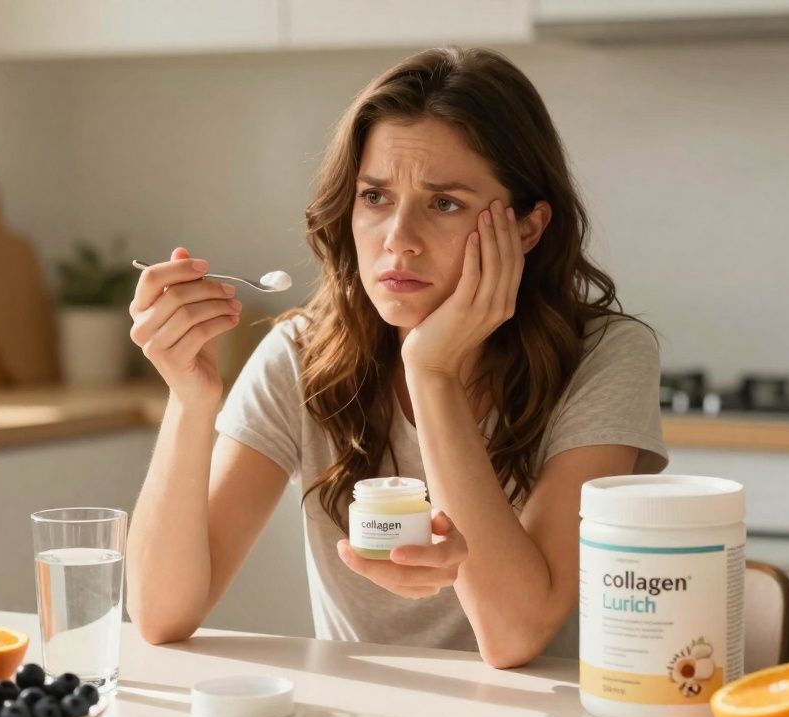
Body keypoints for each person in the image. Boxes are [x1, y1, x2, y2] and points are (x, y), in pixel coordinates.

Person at [125, 46, 667, 669]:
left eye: (445, 204)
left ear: (526, 228)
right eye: (375, 197)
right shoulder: (301, 355)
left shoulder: (604, 356)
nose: (398, 241)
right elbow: (161, 615)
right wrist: (191, 400)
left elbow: (516, 635)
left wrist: (429, 371)